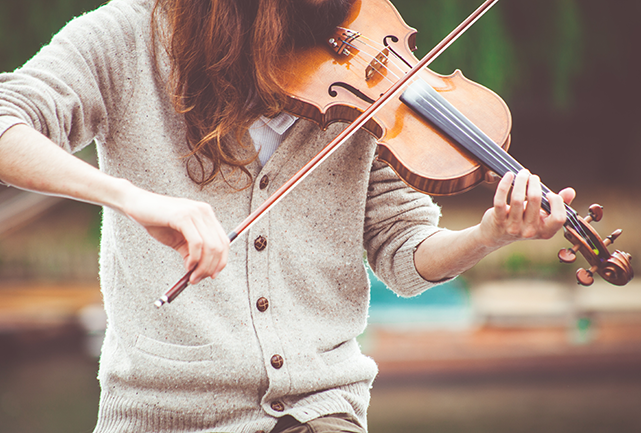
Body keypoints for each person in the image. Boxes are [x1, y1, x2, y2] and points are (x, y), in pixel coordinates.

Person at [0, 0, 575, 432]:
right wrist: (129, 196)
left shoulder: (358, 77)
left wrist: (488, 234)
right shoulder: (125, 38)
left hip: (321, 410)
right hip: (166, 413)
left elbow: (404, 252)